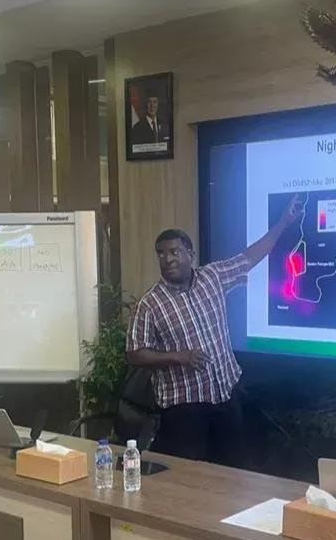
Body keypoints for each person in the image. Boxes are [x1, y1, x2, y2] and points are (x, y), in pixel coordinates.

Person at [126, 196, 303, 467]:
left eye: (174, 252)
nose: (167, 259)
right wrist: (180, 357)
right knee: (189, 480)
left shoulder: (213, 277)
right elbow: (134, 354)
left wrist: (284, 222)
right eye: (161, 254)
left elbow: (252, 256)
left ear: (191, 255)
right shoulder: (150, 304)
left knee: (232, 475)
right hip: (184, 410)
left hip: (225, 397)